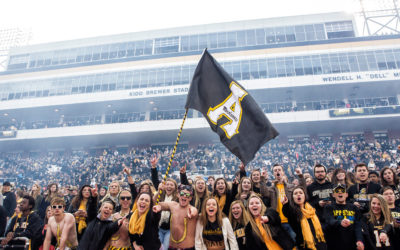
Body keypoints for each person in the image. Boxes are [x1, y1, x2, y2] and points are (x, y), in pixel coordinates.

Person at [263, 164, 304, 241]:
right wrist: (263, 179)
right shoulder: (270, 189)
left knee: (295, 244)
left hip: (290, 221)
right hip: (277, 222)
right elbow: (264, 193)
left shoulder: (291, 187)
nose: (277, 171)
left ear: (283, 172)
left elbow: (303, 190)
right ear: (273, 174)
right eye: (275, 170)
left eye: (279, 170)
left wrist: (300, 176)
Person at [153, 184, 198, 250]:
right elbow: (155, 203)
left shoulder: (192, 208)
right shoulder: (173, 205)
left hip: (187, 248)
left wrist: (192, 213)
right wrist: (159, 191)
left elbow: (194, 211)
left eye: (187, 195)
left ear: (190, 198)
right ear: (178, 195)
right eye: (182, 193)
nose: (184, 196)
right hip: (172, 247)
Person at [323, 184, 364, 250]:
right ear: (333, 195)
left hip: (352, 243)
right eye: (337, 191)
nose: (340, 192)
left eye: (342, 191)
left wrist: (359, 240)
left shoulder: (353, 207)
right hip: (334, 244)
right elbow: (329, 220)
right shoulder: (329, 207)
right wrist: (340, 222)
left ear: (346, 194)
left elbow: (358, 225)